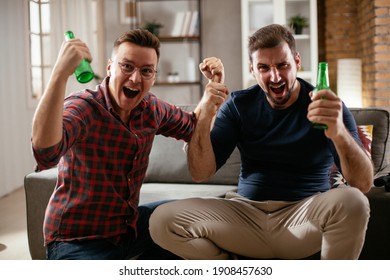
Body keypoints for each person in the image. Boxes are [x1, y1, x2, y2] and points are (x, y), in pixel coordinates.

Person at [149, 24, 374, 260]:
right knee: (162, 220)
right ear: (252, 70)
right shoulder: (239, 104)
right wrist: (205, 112)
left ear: (297, 62)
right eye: (264, 68)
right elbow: (200, 172)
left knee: (354, 201)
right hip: (244, 215)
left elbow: (363, 183)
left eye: (282, 65)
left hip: (304, 217)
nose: (275, 76)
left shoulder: (326, 105)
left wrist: (338, 132)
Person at [31, 29, 225, 260]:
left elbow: (195, 127)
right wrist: (59, 75)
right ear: (110, 68)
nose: (135, 78)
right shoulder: (84, 106)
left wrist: (211, 92)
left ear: (154, 77)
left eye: (146, 71)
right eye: (127, 66)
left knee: (196, 215)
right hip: (76, 239)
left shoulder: (151, 109)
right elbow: (46, 154)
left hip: (128, 231)